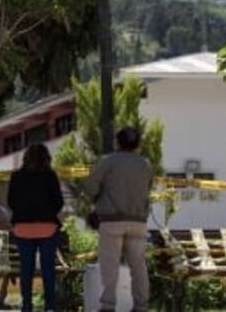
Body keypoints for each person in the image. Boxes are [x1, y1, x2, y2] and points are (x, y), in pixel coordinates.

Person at [83, 127, 153, 312]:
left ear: (117, 142)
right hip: (138, 221)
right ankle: (141, 306)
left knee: (110, 265)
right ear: (137, 144)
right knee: (138, 266)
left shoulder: (108, 162)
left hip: (111, 221)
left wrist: (98, 199)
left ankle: (108, 305)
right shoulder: (145, 164)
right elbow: (148, 189)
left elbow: (90, 186)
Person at [8, 143, 64, 312]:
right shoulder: (50, 176)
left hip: (23, 228)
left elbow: (11, 201)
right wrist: (47, 213)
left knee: (26, 269)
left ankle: (26, 306)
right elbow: (58, 202)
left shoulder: (17, 176)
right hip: (47, 228)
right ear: (46, 158)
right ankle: (50, 307)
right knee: (48, 269)